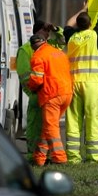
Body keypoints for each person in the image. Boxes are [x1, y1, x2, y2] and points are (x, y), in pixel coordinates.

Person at [63, 0, 98, 163]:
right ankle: (93, 156)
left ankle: (73, 157)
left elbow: (68, 23)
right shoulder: (96, 36)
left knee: (73, 121)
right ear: (91, 23)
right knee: (93, 121)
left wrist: (82, 9)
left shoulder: (72, 38)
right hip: (92, 85)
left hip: (73, 85)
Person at [16, 19, 65, 162]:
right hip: (37, 94)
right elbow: (25, 75)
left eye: (49, 31)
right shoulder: (26, 49)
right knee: (35, 126)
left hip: (50, 95)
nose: (48, 33)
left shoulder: (48, 46)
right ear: (38, 31)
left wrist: (55, 28)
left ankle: (46, 156)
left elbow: (62, 40)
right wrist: (33, 93)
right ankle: (33, 155)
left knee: (48, 127)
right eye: (45, 30)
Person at [27, 34, 73, 166]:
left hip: (51, 95)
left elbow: (36, 79)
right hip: (66, 93)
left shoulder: (38, 56)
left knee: (51, 127)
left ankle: (59, 158)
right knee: (48, 126)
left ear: (32, 46)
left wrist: (31, 87)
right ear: (45, 41)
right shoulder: (58, 53)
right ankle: (39, 158)